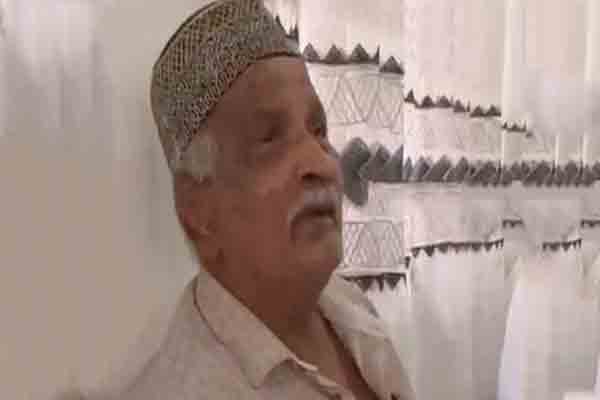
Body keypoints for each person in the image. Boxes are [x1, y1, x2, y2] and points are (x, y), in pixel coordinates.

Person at [119, 0, 414, 399]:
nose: (321, 163)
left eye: (318, 130)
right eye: (269, 139)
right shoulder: (183, 388)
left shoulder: (349, 308)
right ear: (198, 211)